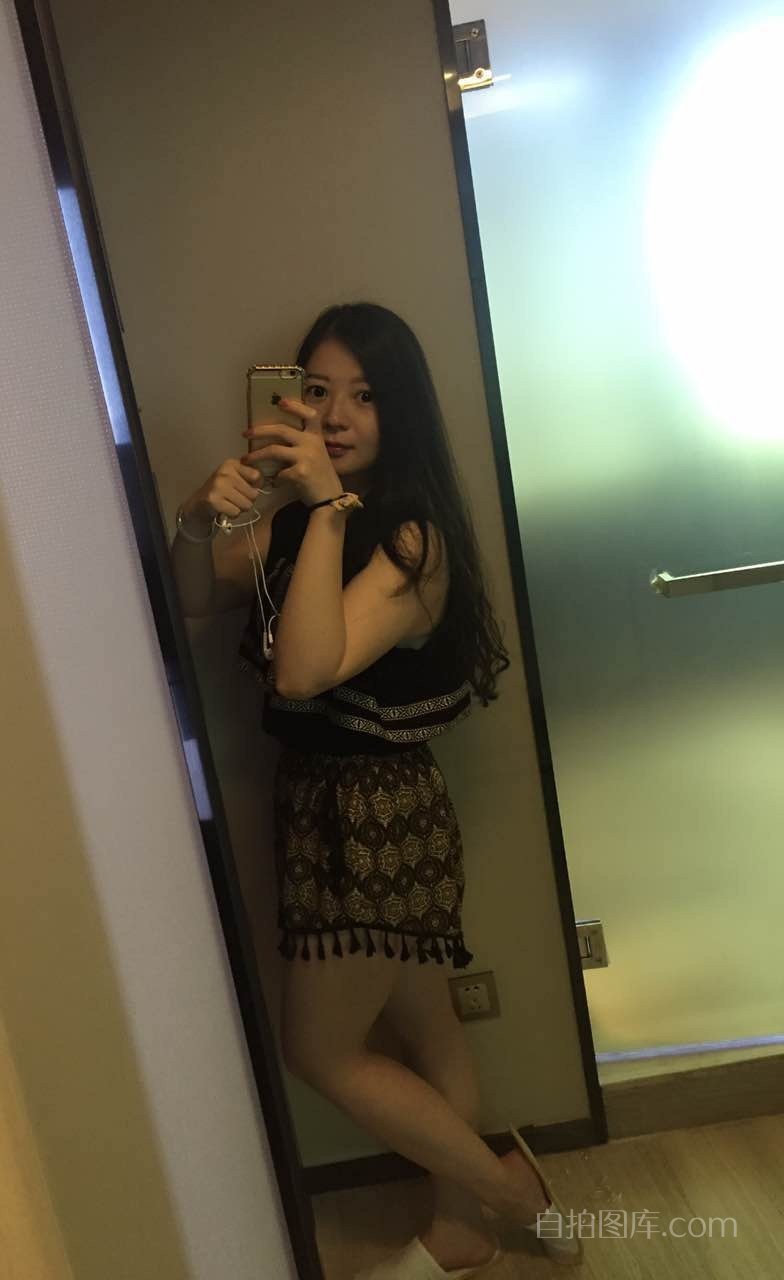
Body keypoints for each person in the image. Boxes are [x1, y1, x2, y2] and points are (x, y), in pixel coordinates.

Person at [172, 303, 580, 1277]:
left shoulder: (410, 541)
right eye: (317, 390)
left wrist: (324, 507)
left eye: (365, 394)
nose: (336, 413)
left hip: (377, 816)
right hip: (326, 803)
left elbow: (304, 668)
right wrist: (197, 516)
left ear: (402, 412)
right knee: (427, 1024)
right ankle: (465, 1227)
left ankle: (506, 1192)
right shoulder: (292, 522)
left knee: (320, 1050)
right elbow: (194, 592)